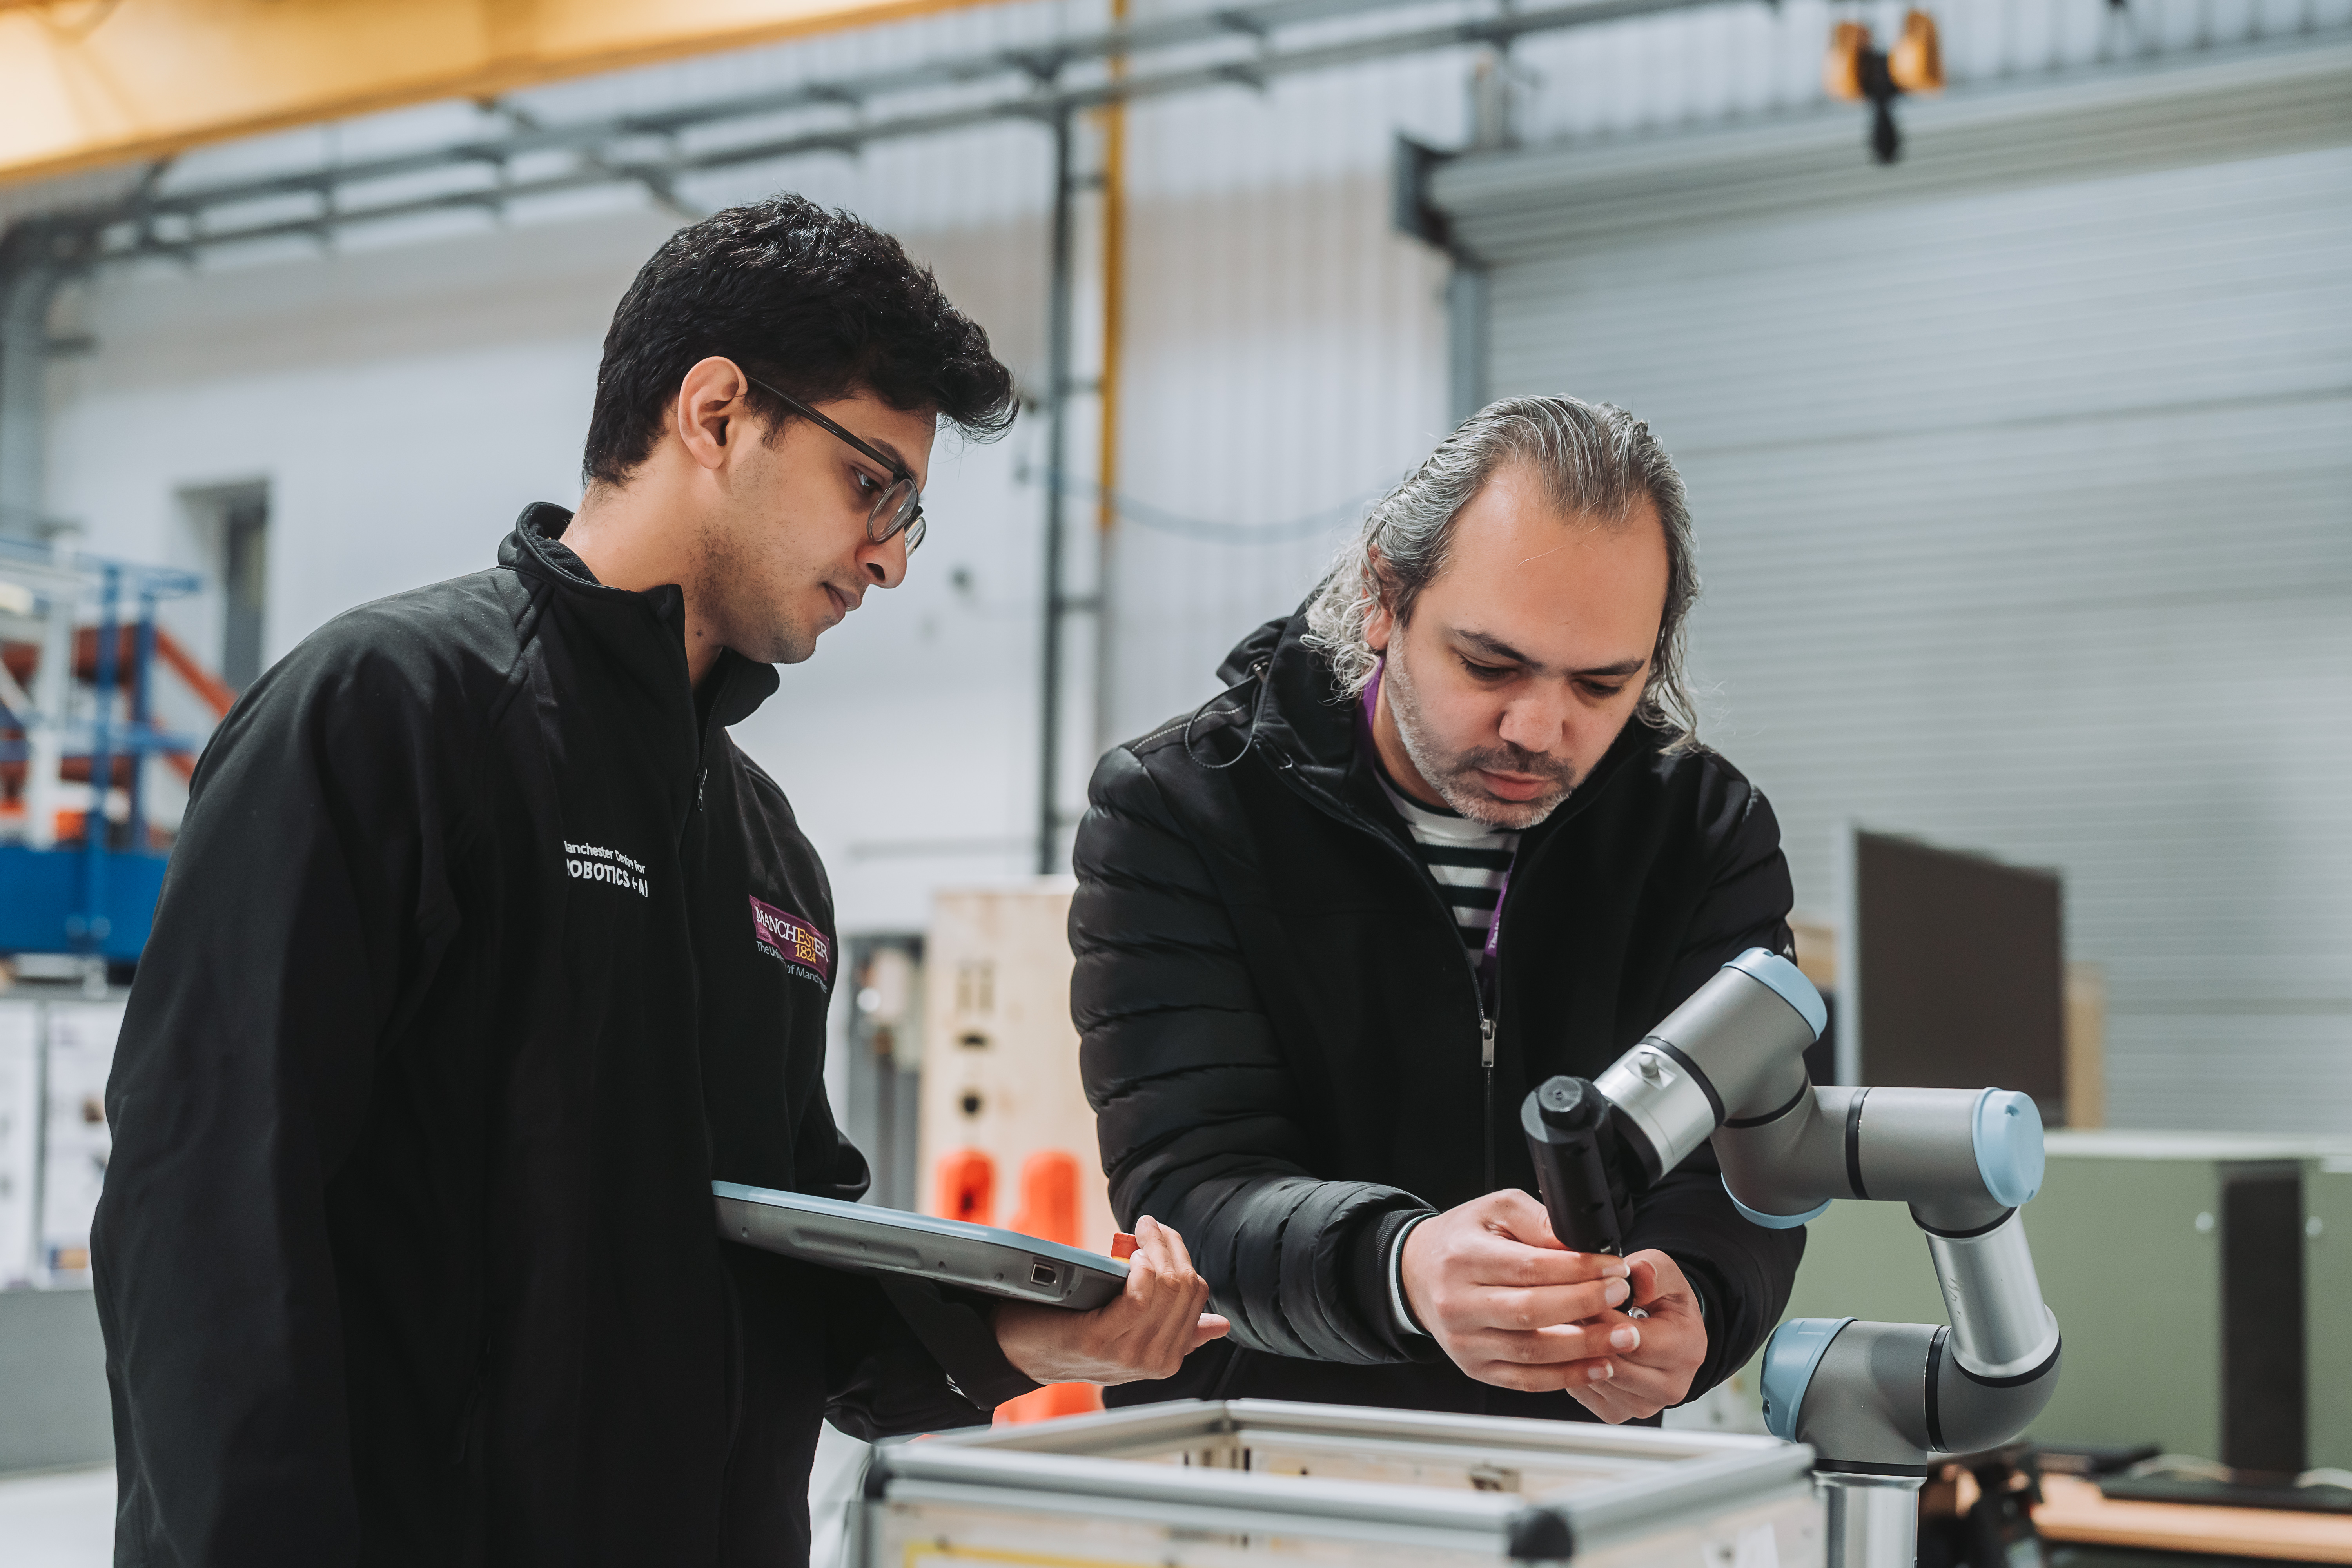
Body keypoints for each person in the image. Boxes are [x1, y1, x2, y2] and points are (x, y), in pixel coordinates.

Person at [93, 195, 1223, 1568]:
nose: (888, 556)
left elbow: (777, 1274)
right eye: (874, 485)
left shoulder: (770, 859)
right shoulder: (390, 716)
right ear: (715, 413)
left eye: (909, 516)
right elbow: (209, 1224)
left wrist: (1019, 1339)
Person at [1070, 396, 1802, 1424]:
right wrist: (1402, 1268)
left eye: (1604, 683)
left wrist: (1701, 1299)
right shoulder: (1186, 810)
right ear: (1385, 596)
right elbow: (1190, 1190)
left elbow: (1744, 1165)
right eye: (1490, 665)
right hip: (1261, 1460)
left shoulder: (1704, 836)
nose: (1539, 727)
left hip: (1577, 1473)